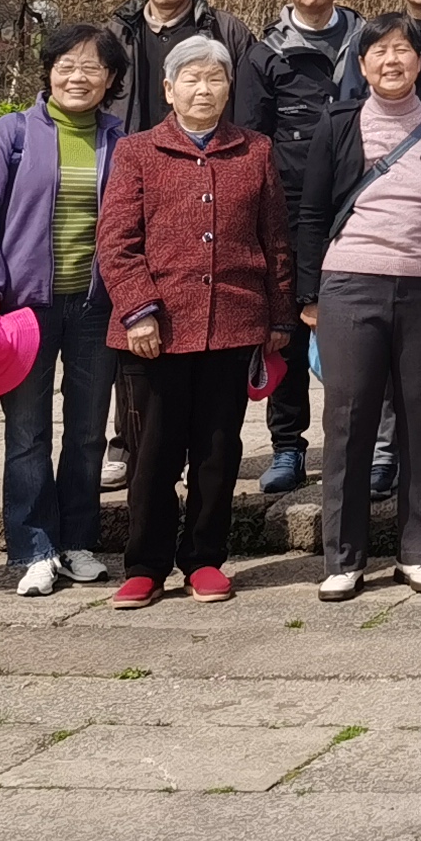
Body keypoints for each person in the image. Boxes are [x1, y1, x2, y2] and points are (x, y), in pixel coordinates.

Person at [96, 33, 295, 608]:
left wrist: (280, 315)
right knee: (152, 455)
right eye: (192, 78)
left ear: (229, 88)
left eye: (215, 79)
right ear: (169, 89)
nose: (204, 89)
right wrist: (138, 311)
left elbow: (275, 240)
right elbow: (117, 242)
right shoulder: (137, 151)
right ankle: (146, 564)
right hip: (154, 332)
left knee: (217, 453)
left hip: (233, 323)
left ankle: (205, 558)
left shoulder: (254, 150)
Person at [0, 22, 127, 595]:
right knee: (27, 432)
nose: (78, 77)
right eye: (66, 66)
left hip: (96, 307)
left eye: (92, 67)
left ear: (110, 79)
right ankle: (34, 548)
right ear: (48, 72)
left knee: (87, 432)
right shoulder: (13, 134)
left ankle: (77, 542)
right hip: (24, 311)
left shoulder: (122, 141)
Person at [294, 13, 421, 600]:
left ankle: (419, 552)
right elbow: (312, 212)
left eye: (403, 50)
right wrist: (309, 295)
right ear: (362, 65)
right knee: (348, 419)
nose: (392, 60)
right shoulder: (339, 122)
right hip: (350, 284)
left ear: (420, 62)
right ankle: (343, 558)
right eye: (380, 52)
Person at [258, 0, 358, 490]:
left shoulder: (371, 41)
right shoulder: (265, 53)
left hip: (362, 203)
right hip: (293, 210)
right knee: (289, 330)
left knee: (362, 330)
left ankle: (365, 446)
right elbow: (254, 137)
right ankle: (287, 447)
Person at [105, 0, 277, 138]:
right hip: (132, 154)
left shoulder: (227, 32)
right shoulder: (116, 35)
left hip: (211, 154)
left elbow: (253, 110)